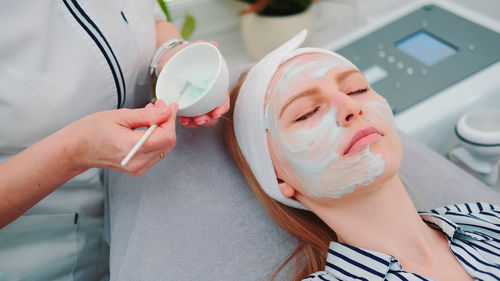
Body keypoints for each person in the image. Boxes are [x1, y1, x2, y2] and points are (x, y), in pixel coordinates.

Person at [225, 30, 500, 281]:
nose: (350, 106)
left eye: (358, 89)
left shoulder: (486, 216)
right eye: (306, 112)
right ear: (278, 176)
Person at [0, 1, 229, 280]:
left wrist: (170, 52)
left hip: (147, 222)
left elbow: (152, 20)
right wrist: (73, 151)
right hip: (47, 259)